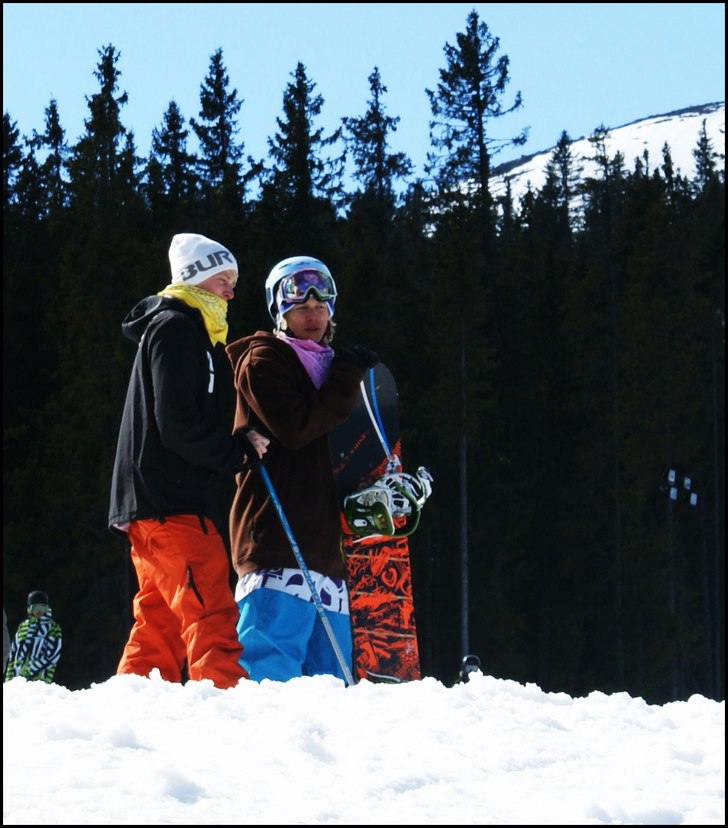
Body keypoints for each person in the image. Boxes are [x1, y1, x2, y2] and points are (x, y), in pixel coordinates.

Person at [109, 232, 269, 690]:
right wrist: (234, 453)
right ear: (197, 277)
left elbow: (189, 413)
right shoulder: (177, 328)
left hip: (153, 501)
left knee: (158, 618)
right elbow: (176, 422)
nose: (232, 292)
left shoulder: (189, 331)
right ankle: (225, 700)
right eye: (224, 279)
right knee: (210, 607)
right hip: (171, 500)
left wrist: (235, 435)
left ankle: (133, 707)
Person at [226, 255, 378, 682]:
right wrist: (346, 377)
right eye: (299, 308)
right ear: (280, 313)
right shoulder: (263, 361)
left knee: (332, 680)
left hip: (324, 551)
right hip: (276, 539)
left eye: (319, 307)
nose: (312, 315)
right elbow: (296, 428)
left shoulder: (330, 367)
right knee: (271, 671)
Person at [5, 591, 62, 683]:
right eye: (36, 608)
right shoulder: (23, 627)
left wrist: (34, 670)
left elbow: (53, 655)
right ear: (30, 609)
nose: (39, 611)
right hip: (17, 679)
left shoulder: (53, 628)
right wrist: (9, 678)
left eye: (43, 608)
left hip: (40, 679)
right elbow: (13, 653)